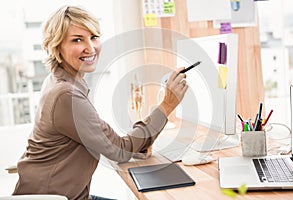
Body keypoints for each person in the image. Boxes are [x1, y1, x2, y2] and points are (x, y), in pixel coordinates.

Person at [13, 5, 188, 200]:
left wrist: (137, 144)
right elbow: (120, 150)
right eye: (77, 40)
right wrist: (167, 105)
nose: (91, 48)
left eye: (94, 37)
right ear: (56, 47)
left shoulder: (62, 81)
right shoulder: (66, 95)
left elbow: (108, 142)